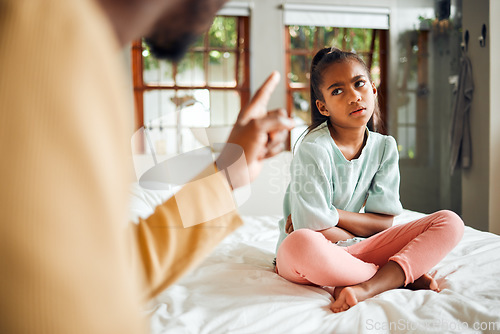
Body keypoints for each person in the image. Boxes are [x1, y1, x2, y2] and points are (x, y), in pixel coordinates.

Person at [0, 0, 293, 333]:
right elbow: (62, 309)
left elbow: (110, 273)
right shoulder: (46, 36)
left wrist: (228, 175)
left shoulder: (78, 42)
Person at [274, 47, 464, 313]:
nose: (353, 96)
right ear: (322, 107)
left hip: (352, 247)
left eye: (359, 84)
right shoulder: (313, 148)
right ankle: (390, 276)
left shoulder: (384, 147)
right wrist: (359, 232)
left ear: (373, 89)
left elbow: (384, 221)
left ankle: (363, 284)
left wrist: (332, 214)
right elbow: (311, 228)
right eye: (337, 91)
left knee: (450, 222)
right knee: (301, 242)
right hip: (311, 253)